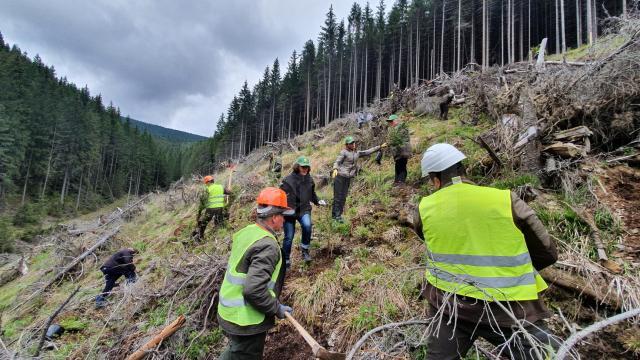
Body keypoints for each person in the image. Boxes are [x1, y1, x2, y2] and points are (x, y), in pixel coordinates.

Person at [414, 143, 560, 360]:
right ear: (464, 170)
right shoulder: (505, 200)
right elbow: (547, 251)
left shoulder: (424, 207)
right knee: (551, 355)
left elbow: (427, 237)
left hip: (448, 308)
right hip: (509, 309)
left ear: (435, 179)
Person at [217, 187, 294, 360]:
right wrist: (276, 308)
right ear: (274, 217)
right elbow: (254, 290)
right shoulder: (268, 246)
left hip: (228, 310)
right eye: (283, 216)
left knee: (235, 351)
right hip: (246, 319)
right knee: (242, 355)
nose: (284, 221)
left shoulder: (248, 232)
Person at [280, 156, 326, 265]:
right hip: (289, 212)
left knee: (307, 225)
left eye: (307, 167)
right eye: (302, 167)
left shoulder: (309, 180)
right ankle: (285, 260)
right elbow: (280, 196)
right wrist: (279, 210)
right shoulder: (287, 180)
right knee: (288, 237)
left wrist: (317, 201)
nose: (305, 169)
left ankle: (305, 250)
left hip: (304, 209)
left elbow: (312, 194)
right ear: (297, 167)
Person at [331, 136, 387, 221]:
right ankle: (336, 216)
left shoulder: (357, 153)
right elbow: (337, 161)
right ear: (347, 145)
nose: (353, 144)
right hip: (340, 176)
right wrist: (335, 169)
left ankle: (339, 215)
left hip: (348, 178)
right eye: (351, 143)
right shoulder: (344, 152)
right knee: (337, 197)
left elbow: (367, 152)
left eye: (353, 143)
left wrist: (379, 147)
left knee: (343, 197)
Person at [192, 174, 233, 240]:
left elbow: (202, 204)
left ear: (208, 182)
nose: (205, 184)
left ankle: (200, 237)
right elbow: (229, 192)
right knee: (220, 222)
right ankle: (222, 236)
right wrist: (229, 190)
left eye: (206, 183)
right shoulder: (220, 187)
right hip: (220, 209)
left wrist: (199, 213)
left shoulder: (207, 190)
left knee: (203, 223)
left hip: (210, 209)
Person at [386, 114, 412, 185]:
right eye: (389, 122)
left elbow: (397, 139)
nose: (390, 123)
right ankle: (396, 181)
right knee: (397, 166)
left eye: (392, 121)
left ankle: (401, 182)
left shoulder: (401, 127)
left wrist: (389, 142)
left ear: (396, 120)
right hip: (398, 152)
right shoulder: (394, 129)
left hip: (403, 151)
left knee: (401, 166)